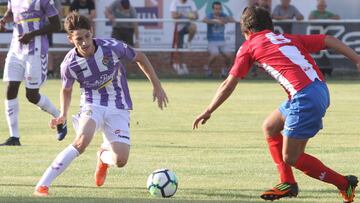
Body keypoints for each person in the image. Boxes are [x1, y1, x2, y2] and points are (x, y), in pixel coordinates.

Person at [193, 6, 359, 202]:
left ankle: (343, 183)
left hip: (304, 98)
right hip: (318, 90)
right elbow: (328, 39)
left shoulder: (249, 46)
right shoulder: (288, 38)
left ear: (246, 32)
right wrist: (357, 59)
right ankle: (287, 181)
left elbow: (228, 84)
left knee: (292, 157)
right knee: (270, 127)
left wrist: (209, 109)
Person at [33, 12, 168, 197]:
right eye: (78, 39)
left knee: (120, 160)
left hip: (118, 104)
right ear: (70, 39)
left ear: (92, 31)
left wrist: (157, 85)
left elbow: (141, 57)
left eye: (87, 36)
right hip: (92, 103)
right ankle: (42, 185)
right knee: (81, 142)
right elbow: (66, 90)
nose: (84, 42)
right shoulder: (69, 64)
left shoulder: (111, 47)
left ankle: (103, 156)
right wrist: (63, 114)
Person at [0, 0, 67, 146]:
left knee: (31, 95)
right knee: (11, 89)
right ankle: (14, 137)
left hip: (35, 51)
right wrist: (4, 19)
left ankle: (59, 116)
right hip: (15, 49)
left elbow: (57, 25)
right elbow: (11, 11)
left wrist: (32, 34)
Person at [202, 1, 235, 78]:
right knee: (215, 53)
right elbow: (204, 20)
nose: (218, 10)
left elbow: (231, 19)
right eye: (216, 8)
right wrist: (215, 21)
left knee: (229, 55)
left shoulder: (223, 15)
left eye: (219, 8)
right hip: (212, 41)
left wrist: (222, 19)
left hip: (222, 41)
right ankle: (208, 68)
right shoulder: (210, 15)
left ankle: (225, 70)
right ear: (213, 9)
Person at [170, 0, 198, 75]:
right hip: (178, 28)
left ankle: (188, 42)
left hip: (187, 25)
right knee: (179, 48)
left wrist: (192, 16)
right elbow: (173, 16)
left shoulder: (191, 2)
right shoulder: (175, 2)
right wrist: (181, 15)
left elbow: (196, 16)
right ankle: (180, 65)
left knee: (194, 27)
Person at [47, 0, 62, 79]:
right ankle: (49, 71)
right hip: (41, 28)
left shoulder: (56, 1)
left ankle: (51, 72)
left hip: (52, 28)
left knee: (51, 50)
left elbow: (59, 13)